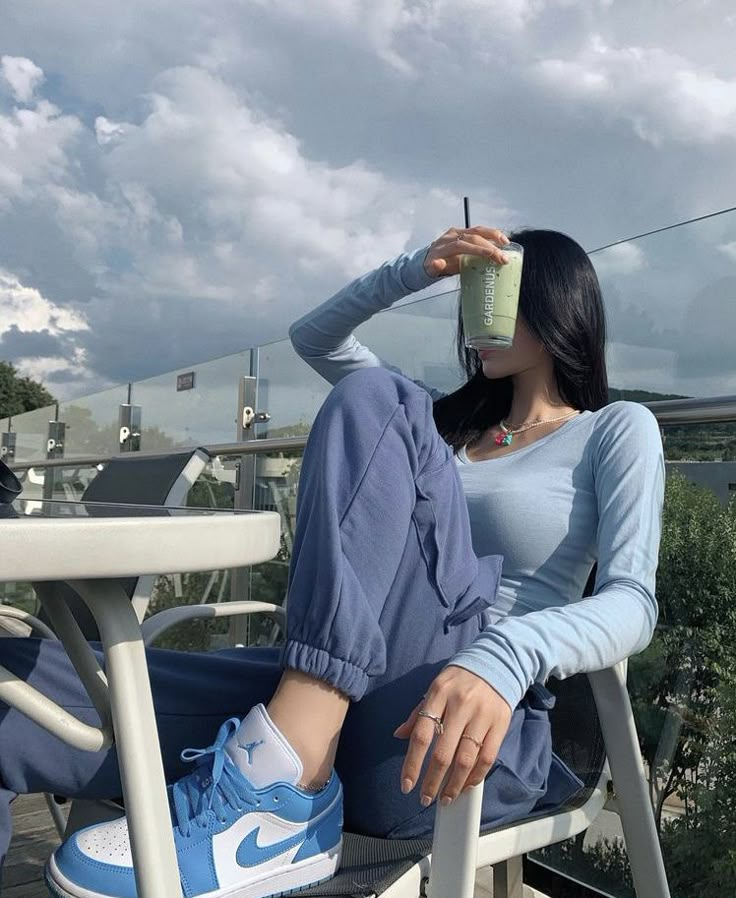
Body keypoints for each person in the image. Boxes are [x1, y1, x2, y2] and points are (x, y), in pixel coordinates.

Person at [0, 226, 664, 898]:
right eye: (472, 295)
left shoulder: (612, 428)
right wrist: (416, 271)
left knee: (378, 394)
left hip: (460, 729)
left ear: (555, 303)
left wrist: (505, 656)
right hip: (344, 694)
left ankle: (286, 789)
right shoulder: (440, 428)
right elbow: (314, 337)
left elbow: (634, 603)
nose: (475, 316)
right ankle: (285, 772)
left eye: (498, 295)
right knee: (14, 692)